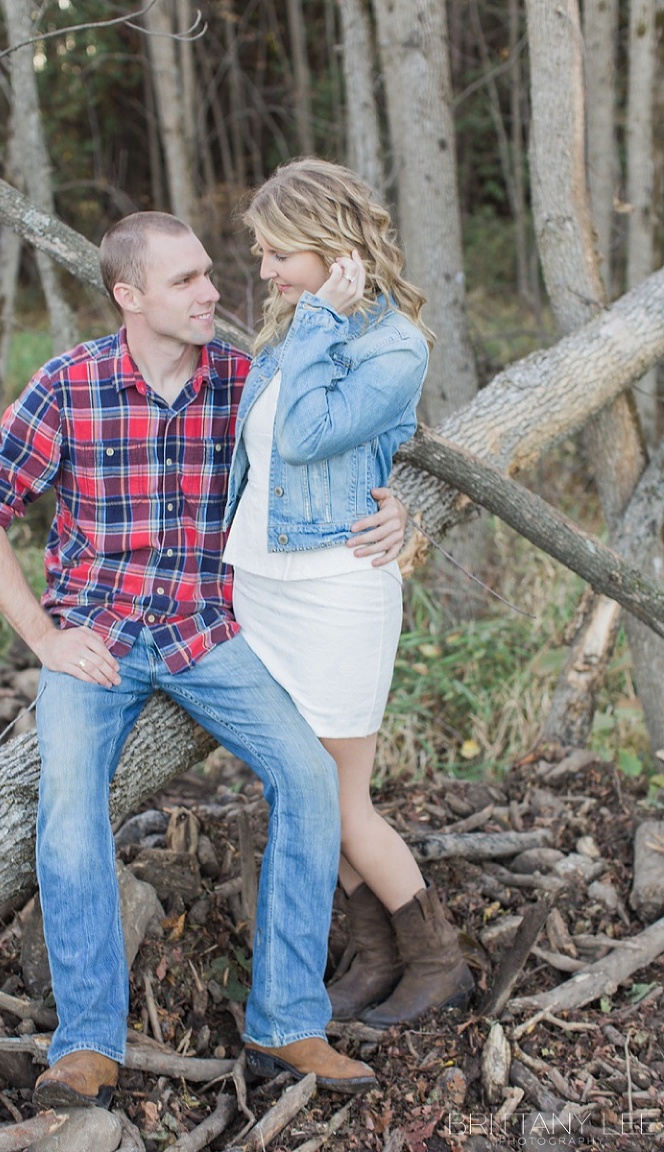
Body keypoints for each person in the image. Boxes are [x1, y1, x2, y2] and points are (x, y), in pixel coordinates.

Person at [0, 211, 408, 1105]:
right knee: (71, 807)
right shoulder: (70, 384)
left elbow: (339, 455)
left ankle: (288, 1023)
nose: (213, 292)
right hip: (99, 638)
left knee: (310, 778)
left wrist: (402, 516)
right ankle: (87, 1043)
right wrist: (44, 637)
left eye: (210, 274)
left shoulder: (244, 379)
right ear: (130, 296)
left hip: (210, 632)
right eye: (187, 281)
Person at [224, 158, 474, 1031]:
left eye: (274, 254)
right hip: (258, 589)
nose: (262, 274)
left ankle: (437, 961)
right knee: (299, 787)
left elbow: (303, 435)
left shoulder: (392, 342)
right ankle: (372, 956)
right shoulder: (294, 327)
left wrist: (322, 316)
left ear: (327, 246)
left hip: (333, 591)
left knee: (339, 801)